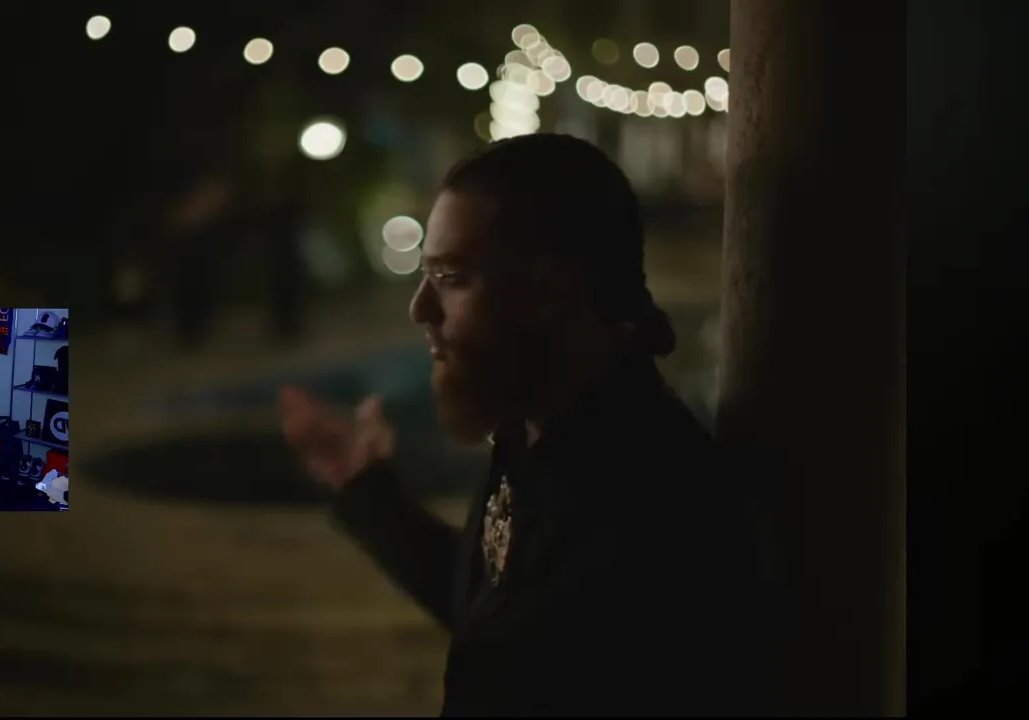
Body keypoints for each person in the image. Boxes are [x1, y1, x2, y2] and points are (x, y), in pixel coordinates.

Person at [279, 134, 766, 716]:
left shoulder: (656, 510)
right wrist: (365, 488)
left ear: (554, 289)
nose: (420, 309)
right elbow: (499, 615)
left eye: (451, 276)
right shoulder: (533, 425)